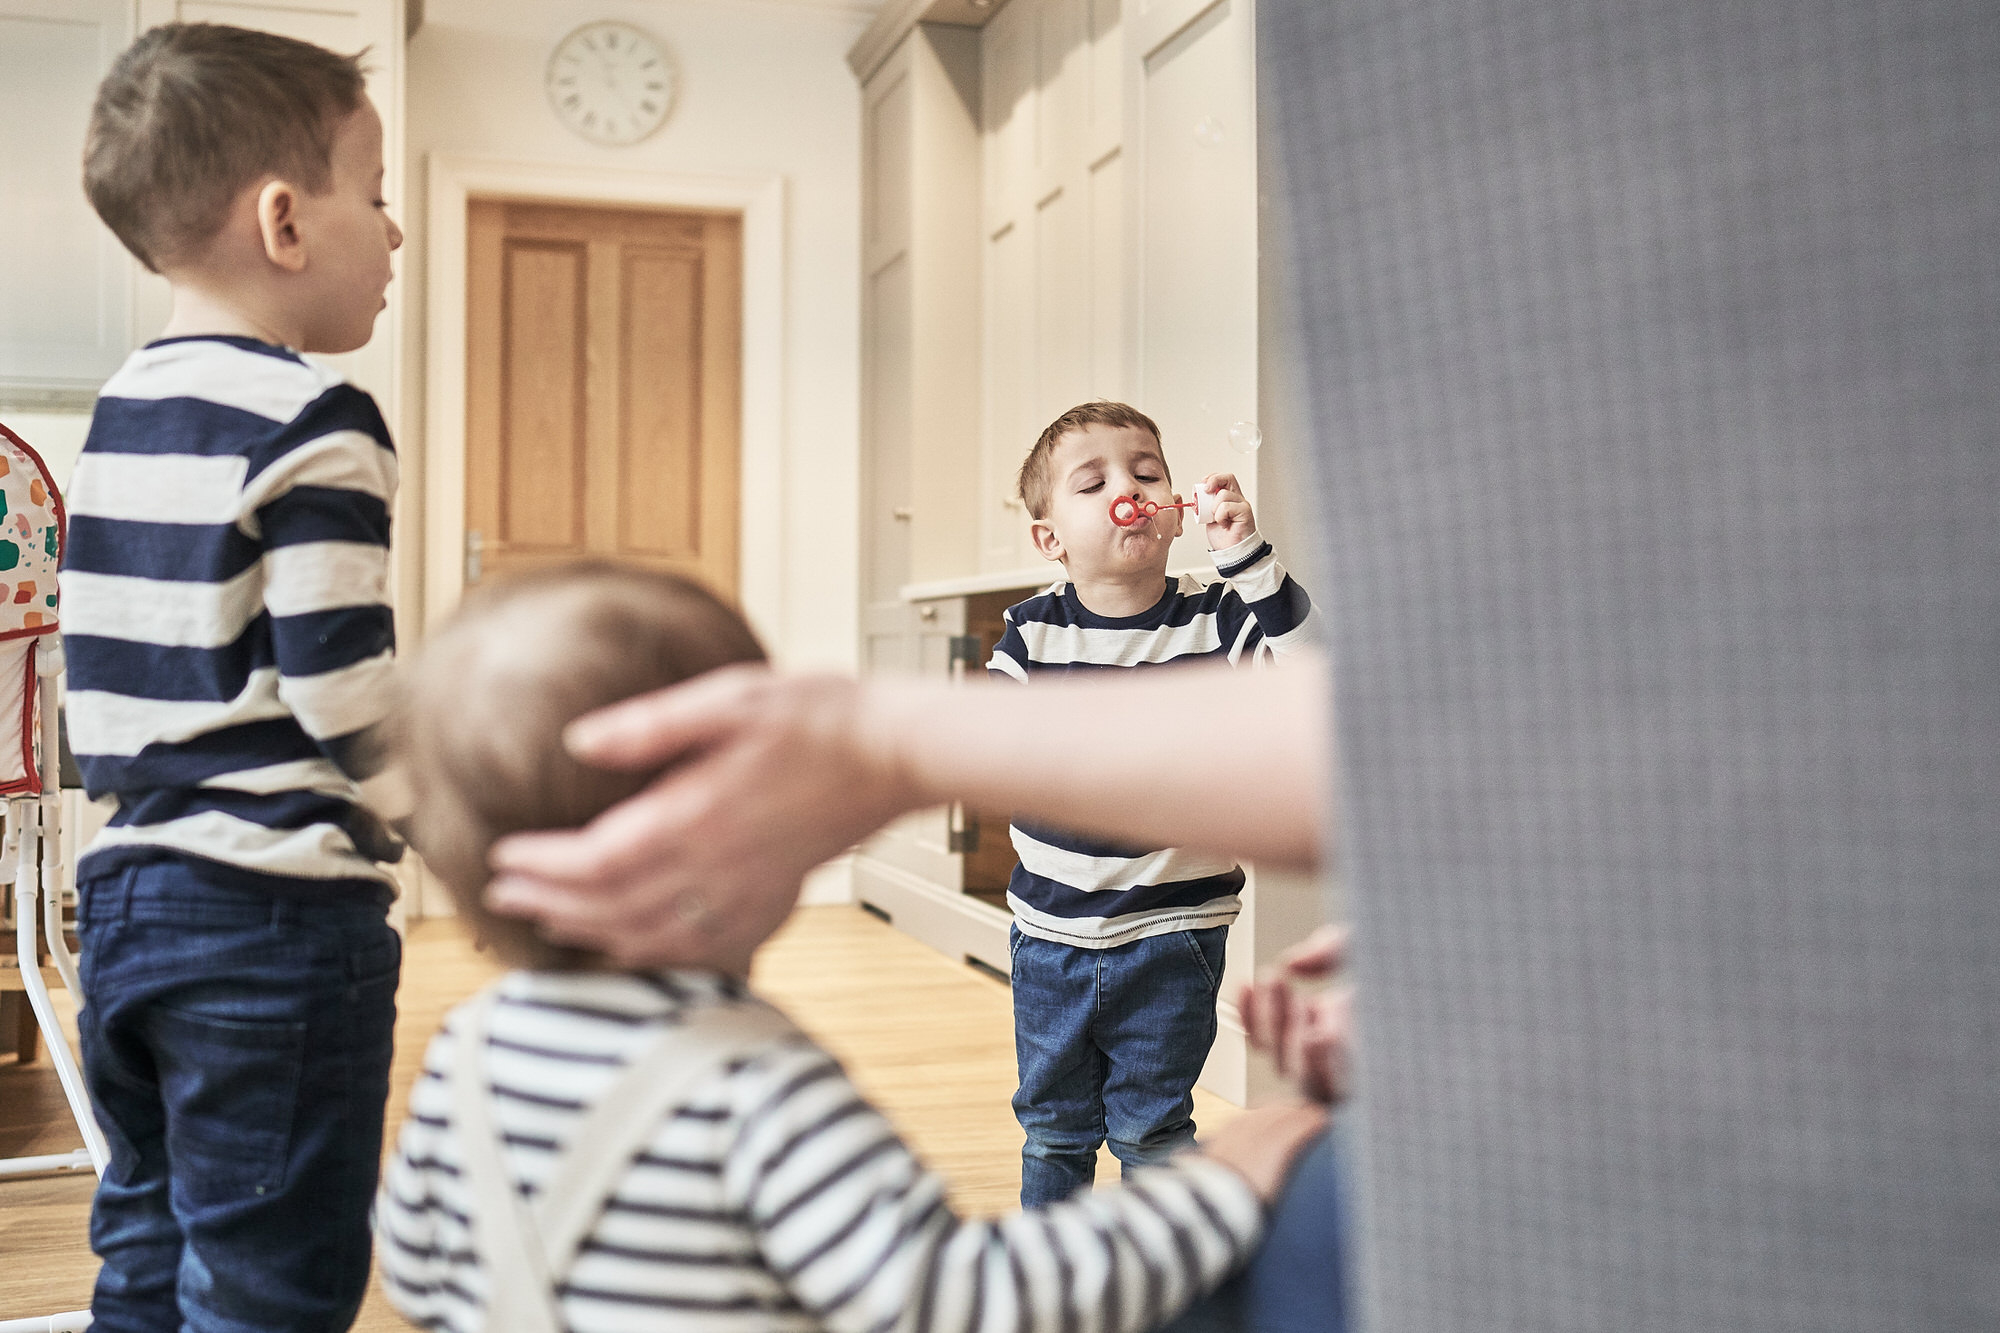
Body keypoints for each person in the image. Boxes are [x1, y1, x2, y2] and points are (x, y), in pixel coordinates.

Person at [374, 563, 1329, 1333]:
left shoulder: (465, 1050)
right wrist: (1221, 1187)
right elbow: (960, 1300)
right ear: (735, 823)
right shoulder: (757, 1088)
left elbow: (416, 1274)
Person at [61, 24, 406, 1331]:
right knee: (273, 1268)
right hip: (270, 919)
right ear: (282, 221)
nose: (395, 231)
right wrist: (445, 800)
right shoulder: (317, 419)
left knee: (147, 1236)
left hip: (128, 903)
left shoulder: (122, 410)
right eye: (373, 194)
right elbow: (342, 690)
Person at [988, 402, 1317, 1206]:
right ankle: (1052, 1281)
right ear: (1050, 539)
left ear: (1174, 512)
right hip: (1052, 938)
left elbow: (1309, 670)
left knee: (1154, 1129)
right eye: (1092, 482)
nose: (1125, 490)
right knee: (1055, 1127)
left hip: (1175, 935)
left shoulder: (1216, 620)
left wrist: (1245, 557)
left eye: (1145, 472)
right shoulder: (1031, 634)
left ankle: (1162, 1283)